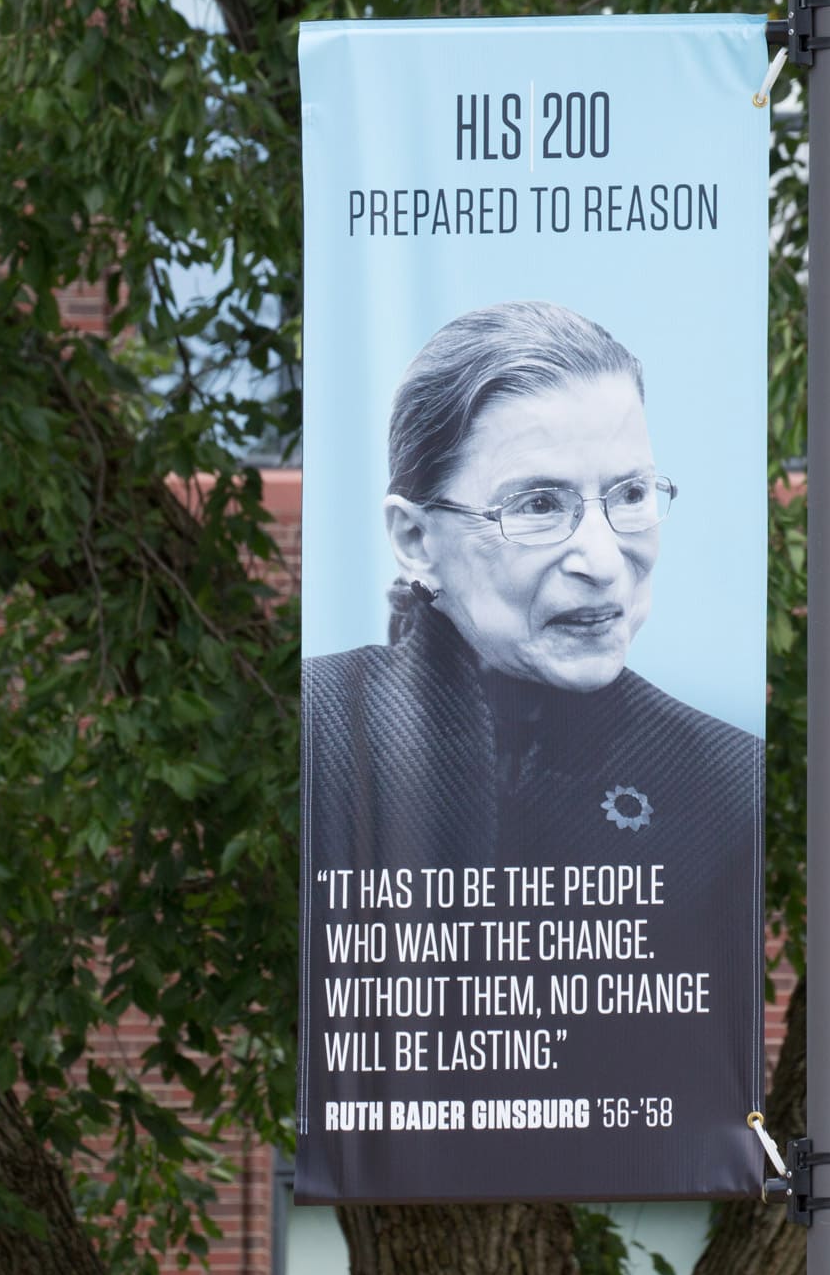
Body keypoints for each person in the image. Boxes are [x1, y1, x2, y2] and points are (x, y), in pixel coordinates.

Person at [302, 300, 764, 897]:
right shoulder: (318, 736)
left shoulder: (724, 784)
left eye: (630, 494)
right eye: (539, 506)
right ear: (416, 539)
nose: (601, 564)